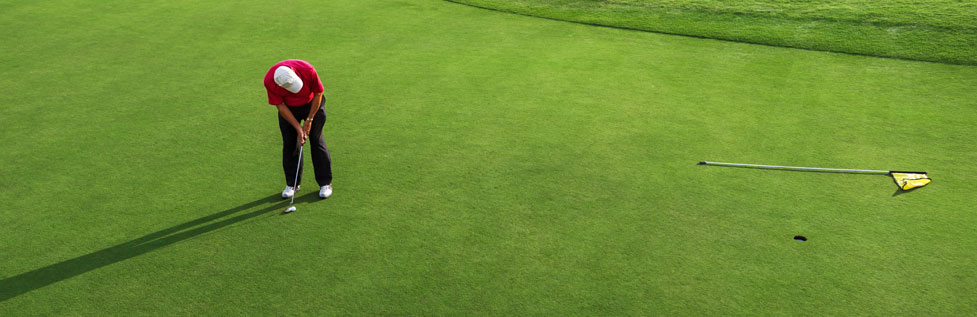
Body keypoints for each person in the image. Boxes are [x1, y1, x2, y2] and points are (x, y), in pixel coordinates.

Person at [263, 59, 333, 199]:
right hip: (289, 109)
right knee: (290, 144)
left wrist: (310, 119)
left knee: (316, 140)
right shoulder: (270, 81)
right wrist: (298, 129)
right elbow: (280, 106)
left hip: (312, 103)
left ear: (294, 73)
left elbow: (318, 93)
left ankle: (325, 183)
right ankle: (292, 184)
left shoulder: (307, 69)